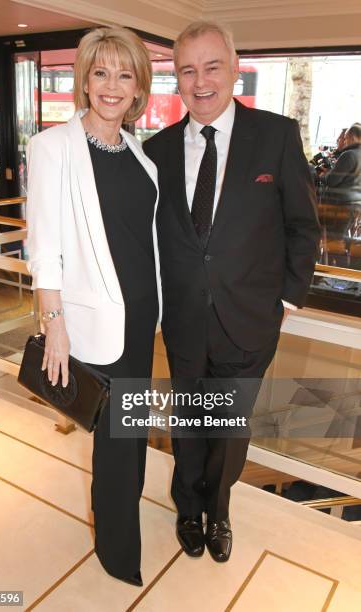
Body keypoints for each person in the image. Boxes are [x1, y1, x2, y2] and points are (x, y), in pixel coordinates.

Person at [144, 21, 320, 563]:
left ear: (233, 66)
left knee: (229, 425)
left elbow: (303, 227)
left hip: (250, 319)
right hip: (183, 320)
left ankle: (218, 511)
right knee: (191, 419)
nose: (200, 82)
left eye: (211, 66)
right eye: (187, 71)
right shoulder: (155, 151)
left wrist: (285, 301)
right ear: (176, 79)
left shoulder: (276, 135)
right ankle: (186, 505)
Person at [26, 26, 161, 587]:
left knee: (131, 431)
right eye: (101, 72)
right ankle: (117, 553)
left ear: (138, 87)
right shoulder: (52, 147)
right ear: (84, 80)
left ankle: (120, 526)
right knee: (115, 439)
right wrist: (53, 327)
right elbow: (44, 246)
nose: (112, 85)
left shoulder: (139, 152)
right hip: (92, 320)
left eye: (124, 74)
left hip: (140, 315)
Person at [323, 123, 361, 253]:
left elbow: (332, 180)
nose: (345, 141)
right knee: (339, 238)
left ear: (353, 137)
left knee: (333, 241)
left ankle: (332, 270)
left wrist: (324, 175)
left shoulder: (349, 155)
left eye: (346, 137)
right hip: (355, 204)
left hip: (340, 205)